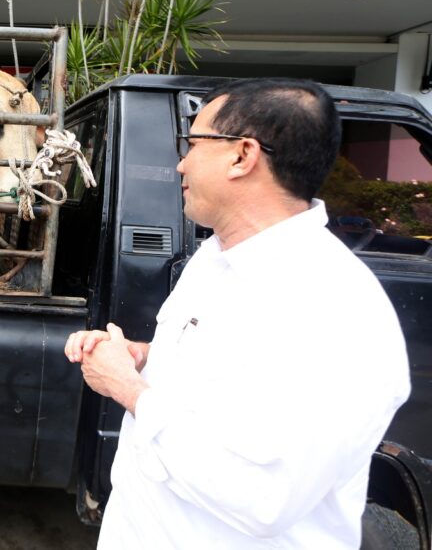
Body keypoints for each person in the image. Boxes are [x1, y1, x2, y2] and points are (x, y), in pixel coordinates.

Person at [65, 78, 410, 549]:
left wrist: (127, 387)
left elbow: (263, 496)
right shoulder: (214, 258)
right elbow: (213, 375)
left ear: (242, 156)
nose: (182, 162)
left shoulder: (336, 309)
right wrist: (143, 356)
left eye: (193, 143)